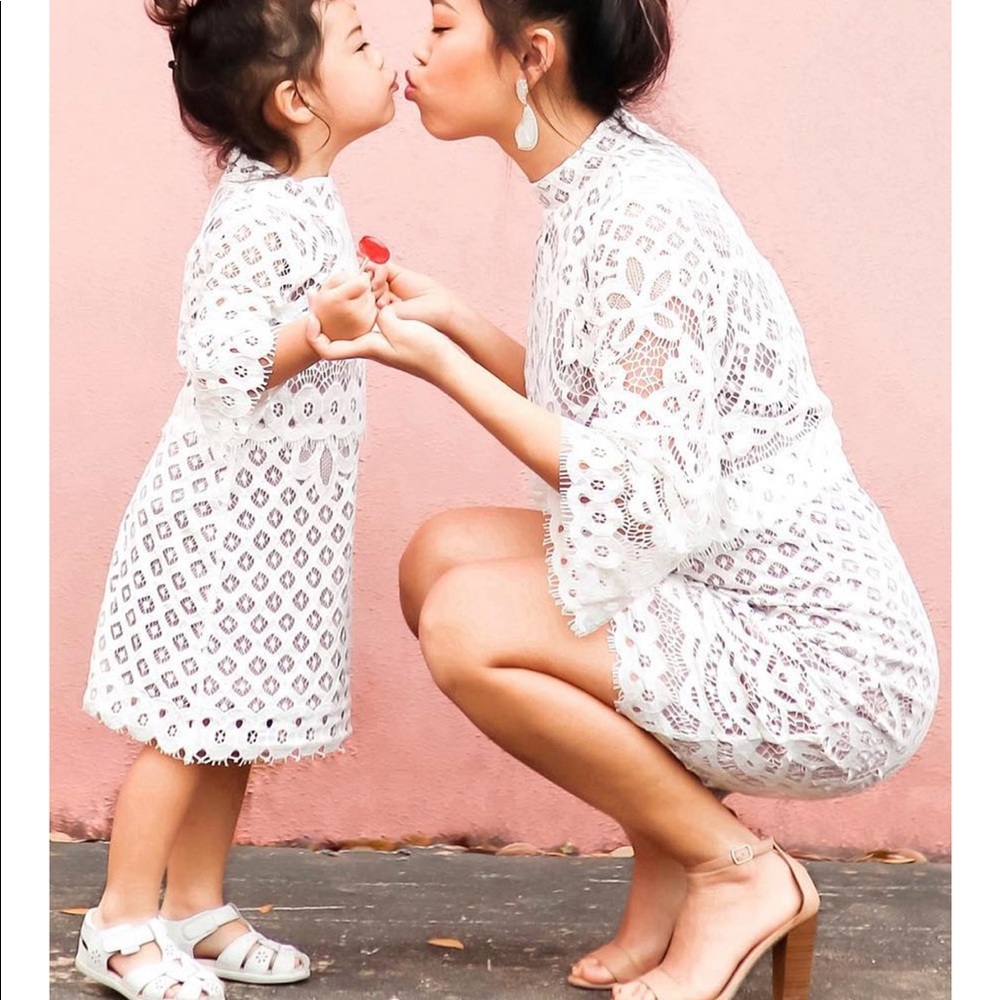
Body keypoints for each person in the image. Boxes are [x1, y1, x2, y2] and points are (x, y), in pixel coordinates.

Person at [306, 1, 941, 998]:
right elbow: (619, 415)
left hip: (821, 659)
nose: (416, 51)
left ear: (533, 57)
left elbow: (635, 479)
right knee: (437, 556)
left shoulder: (641, 215)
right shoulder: (598, 182)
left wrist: (438, 364)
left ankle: (734, 870)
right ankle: (672, 861)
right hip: (715, 583)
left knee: (468, 619)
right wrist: (456, 326)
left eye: (439, 26)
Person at [75, 2, 398, 997]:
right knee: (184, 728)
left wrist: (351, 312)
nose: (381, 53)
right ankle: (120, 923)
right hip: (220, 524)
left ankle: (195, 906)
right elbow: (218, 358)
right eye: (356, 43)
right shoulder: (258, 213)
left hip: (272, 528)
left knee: (232, 727)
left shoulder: (304, 195)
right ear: (296, 98)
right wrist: (317, 327)